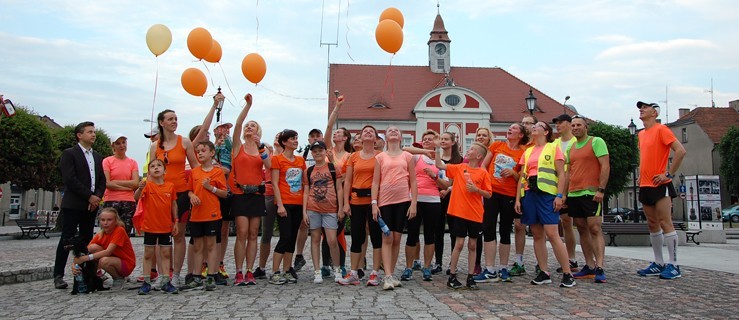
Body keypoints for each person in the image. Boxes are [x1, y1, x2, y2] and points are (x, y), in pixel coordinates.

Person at [514, 121, 576, 287]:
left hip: (547, 194)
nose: (534, 127)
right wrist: (518, 199)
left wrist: (560, 195)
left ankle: (567, 273)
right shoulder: (527, 151)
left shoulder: (553, 148)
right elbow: (522, 176)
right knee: (537, 234)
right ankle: (544, 271)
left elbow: (562, 175)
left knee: (552, 233)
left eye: (538, 125)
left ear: (546, 131)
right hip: (530, 193)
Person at [635, 101, 686, 279]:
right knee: (652, 223)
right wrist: (641, 174)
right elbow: (645, 156)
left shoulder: (662, 129)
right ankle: (658, 262)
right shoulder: (641, 134)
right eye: (640, 108)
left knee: (665, 222)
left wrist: (669, 175)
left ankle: (674, 265)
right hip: (646, 184)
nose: (641, 110)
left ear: (654, 113)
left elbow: (680, 151)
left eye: (645, 108)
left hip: (660, 184)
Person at [150, 108, 200, 288]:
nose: (174, 121)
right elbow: (151, 170)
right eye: (170, 119)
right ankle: (163, 274)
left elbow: (195, 168)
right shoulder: (155, 145)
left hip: (180, 193)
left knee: (178, 234)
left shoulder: (185, 142)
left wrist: (193, 191)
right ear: (161, 122)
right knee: (160, 235)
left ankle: (176, 274)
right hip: (160, 193)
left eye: (176, 119)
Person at [53, 121, 107, 289]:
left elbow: (102, 180)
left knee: (87, 239)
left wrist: (97, 197)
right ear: (80, 135)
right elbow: (70, 179)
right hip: (74, 203)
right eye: (89, 131)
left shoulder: (97, 157)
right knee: (67, 238)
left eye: (94, 131)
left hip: (92, 205)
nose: (93, 134)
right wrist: (88, 196)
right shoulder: (70, 154)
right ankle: (58, 275)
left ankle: (87, 272)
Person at [435, 142, 492, 290]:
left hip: (475, 213)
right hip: (459, 212)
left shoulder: (483, 173)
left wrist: (476, 190)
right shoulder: (460, 167)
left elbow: (488, 194)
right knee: (459, 244)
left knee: (472, 245)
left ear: (478, 156)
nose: (469, 150)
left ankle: (470, 276)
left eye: (472, 149)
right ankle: (452, 275)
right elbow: (440, 166)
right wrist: (436, 149)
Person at [475, 123, 528, 284]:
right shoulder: (497, 145)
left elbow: (522, 178)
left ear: (520, 135)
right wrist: (485, 183)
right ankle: (490, 268)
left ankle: (503, 268)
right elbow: (484, 165)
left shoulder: (524, 151)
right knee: (488, 228)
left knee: (505, 230)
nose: (510, 130)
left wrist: (513, 173)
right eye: (509, 128)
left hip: (509, 194)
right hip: (492, 193)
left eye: (514, 128)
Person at [231, 94, 272, 286]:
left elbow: (269, 165)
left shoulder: (261, 148)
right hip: (240, 194)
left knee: (254, 233)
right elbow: (238, 124)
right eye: (248, 125)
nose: (249, 127)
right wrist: (248, 106)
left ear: (258, 132)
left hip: (256, 194)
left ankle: (249, 270)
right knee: (242, 231)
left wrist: (261, 146)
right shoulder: (238, 146)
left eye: (253, 125)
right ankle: (238, 271)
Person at [372, 125, 417, 290]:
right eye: (390, 130)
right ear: (385, 136)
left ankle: (390, 273)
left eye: (396, 130)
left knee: (397, 238)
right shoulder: (380, 157)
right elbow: (375, 181)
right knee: (387, 237)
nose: (393, 131)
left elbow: (413, 181)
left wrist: (414, 203)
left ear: (400, 137)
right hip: (384, 201)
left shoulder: (407, 156)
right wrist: (374, 203)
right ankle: (387, 276)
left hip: (403, 200)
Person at [566, 116, 610, 283]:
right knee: (582, 229)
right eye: (573, 125)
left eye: (579, 125)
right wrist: (563, 194)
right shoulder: (571, 147)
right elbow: (569, 172)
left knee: (594, 228)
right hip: (574, 193)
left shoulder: (596, 142)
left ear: (586, 127)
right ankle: (589, 266)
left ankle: (600, 266)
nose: (575, 128)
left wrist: (601, 189)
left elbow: (605, 165)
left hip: (591, 192)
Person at [339, 125, 383, 286]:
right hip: (357, 200)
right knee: (357, 237)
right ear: (361, 137)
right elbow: (348, 181)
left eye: (372, 131)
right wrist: (346, 202)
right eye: (365, 131)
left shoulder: (380, 156)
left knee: (376, 237)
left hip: (374, 202)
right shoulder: (354, 157)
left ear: (376, 138)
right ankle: (354, 271)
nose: (368, 132)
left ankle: (375, 272)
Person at [184, 141, 228, 291]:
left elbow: (224, 193)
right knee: (197, 246)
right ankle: (196, 275)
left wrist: (211, 188)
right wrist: (191, 196)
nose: (200, 153)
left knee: (211, 245)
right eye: (198, 151)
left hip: (212, 214)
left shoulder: (217, 172)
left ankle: (212, 273)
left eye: (203, 150)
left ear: (212, 153)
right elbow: (189, 190)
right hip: (196, 215)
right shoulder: (194, 172)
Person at [401, 130, 442, 282]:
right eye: (424, 139)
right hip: (415, 199)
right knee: (412, 234)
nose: (426, 141)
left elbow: (444, 182)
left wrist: (435, 176)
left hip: (433, 200)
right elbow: (404, 150)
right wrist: (426, 150)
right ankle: (408, 267)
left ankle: (426, 267)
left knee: (429, 235)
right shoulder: (417, 157)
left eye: (430, 139)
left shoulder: (440, 161)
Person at [133, 159, 179, 294]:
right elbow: (136, 197)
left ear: (165, 170)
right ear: (149, 172)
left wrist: (175, 221)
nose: (156, 168)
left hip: (165, 226)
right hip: (150, 226)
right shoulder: (147, 186)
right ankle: (146, 281)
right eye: (152, 166)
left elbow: (174, 205)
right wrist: (140, 188)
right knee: (148, 253)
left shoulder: (170, 186)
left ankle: (166, 280)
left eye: (159, 165)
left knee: (165, 253)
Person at [302, 140, 344, 284]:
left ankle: (337, 269)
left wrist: (341, 208)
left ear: (326, 152)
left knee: (332, 240)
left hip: (330, 209)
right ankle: (317, 271)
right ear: (312, 154)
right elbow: (306, 191)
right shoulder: (308, 171)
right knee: (315, 239)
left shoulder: (333, 168)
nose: (318, 153)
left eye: (320, 150)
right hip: (313, 208)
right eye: (315, 151)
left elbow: (339, 189)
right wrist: (304, 211)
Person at [270, 129, 307, 285]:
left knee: (292, 238)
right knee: (284, 236)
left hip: (297, 203)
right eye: (292, 138)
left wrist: (304, 209)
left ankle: (287, 269)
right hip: (284, 202)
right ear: (284, 142)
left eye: (296, 138)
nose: (295, 141)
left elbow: (305, 184)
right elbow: (275, 183)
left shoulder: (300, 161)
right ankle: (275, 271)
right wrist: (280, 205)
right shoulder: (277, 159)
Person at [72, 207, 136, 290]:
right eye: (103, 220)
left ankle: (118, 278)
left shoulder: (120, 231)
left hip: (126, 264)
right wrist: (74, 264)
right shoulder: (100, 234)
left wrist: (85, 258)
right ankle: (96, 274)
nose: (105, 223)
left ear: (116, 221)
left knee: (104, 261)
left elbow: (108, 252)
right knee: (92, 247)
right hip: (113, 259)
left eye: (109, 220)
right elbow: (86, 250)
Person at [294, 128, 325, 271]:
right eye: (312, 136)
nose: (315, 138)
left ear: (322, 137)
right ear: (308, 140)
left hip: (325, 195)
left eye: (317, 135)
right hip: (307, 193)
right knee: (303, 225)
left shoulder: (327, 154)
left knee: (327, 228)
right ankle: (299, 255)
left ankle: (327, 259)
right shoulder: (302, 155)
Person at [510, 115, 537, 277]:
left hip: (535, 190)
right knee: (519, 226)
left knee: (537, 227)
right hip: (517, 190)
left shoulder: (539, 145)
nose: (526, 125)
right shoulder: (520, 146)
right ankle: (519, 260)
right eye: (524, 123)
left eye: (529, 123)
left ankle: (540, 262)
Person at [432, 132, 463, 275]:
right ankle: (437, 262)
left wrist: (448, 189)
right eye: (441, 139)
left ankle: (452, 262)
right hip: (437, 195)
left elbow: (460, 178)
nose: (443, 141)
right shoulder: (436, 158)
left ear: (452, 142)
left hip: (453, 196)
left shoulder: (459, 159)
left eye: (445, 139)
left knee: (453, 231)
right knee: (437, 230)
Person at [552, 114, 579, 272]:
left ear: (569, 124)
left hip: (573, 186)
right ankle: (563, 258)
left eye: (561, 122)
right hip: (555, 187)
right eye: (556, 123)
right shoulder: (554, 143)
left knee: (568, 223)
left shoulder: (577, 142)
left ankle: (572, 258)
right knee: (556, 224)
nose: (558, 125)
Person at [255, 134, 282, 279]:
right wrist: (263, 145)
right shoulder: (268, 155)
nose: (277, 138)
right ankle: (262, 267)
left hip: (284, 195)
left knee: (285, 233)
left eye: (280, 137)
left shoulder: (287, 156)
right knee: (266, 232)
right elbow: (265, 161)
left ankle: (284, 266)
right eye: (276, 136)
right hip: (269, 194)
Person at [102, 135, 139, 237]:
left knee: (124, 233)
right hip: (111, 200)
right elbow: (108, 183)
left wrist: (116, 182)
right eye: (118, 143)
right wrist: (127, 187)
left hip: (128, 201)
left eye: (123, 142)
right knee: (108, 232)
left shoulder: (132, 162)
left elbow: (135, 183)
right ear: (113, 146)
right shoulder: (107, 161)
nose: (122, 145)